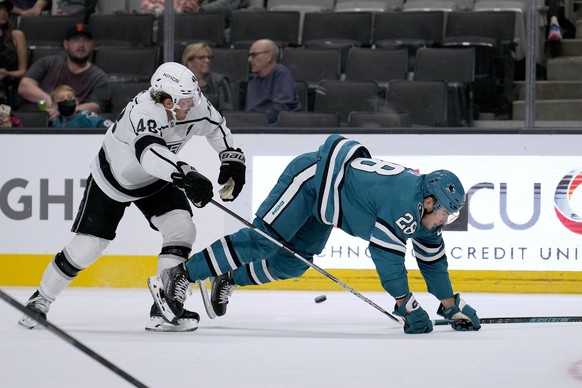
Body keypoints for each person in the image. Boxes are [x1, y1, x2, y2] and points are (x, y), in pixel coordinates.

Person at [148, 134, 482, 334]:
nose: (445, 221)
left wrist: (450, 305)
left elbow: (432, 259)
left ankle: (229, 279)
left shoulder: (424, 212)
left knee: (293, 264)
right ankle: (180, 275)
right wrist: (405, 305)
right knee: (261, 241)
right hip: (312, 179)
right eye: (444, 214)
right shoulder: (404, 206)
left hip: (327, 202)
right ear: (428, 202)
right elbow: (386, 258)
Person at [18, 62, 246, 332]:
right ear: (166, 98)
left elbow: (216, 127)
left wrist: (231, 160)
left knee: (182, 228)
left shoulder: (192, 104)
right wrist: (186, 173)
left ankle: (166, 306)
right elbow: (149, 155)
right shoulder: (143, 111)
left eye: (193, 97)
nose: (192, 104)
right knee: (88, 247)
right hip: (114, 178)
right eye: (185, 100)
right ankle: (40, 299)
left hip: (160, 177)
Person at [17, 23, 110, 120]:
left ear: (92, 45)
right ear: (66, 44)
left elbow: (96, 106)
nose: (81, 45)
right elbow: (24, 86)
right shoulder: (47, 63)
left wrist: (64, 110)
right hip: (33, 120)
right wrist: (48, 100)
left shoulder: (99, 77)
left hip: (70, 126)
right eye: (76, 40)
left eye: (86, 40)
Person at [244, 39, 300, 126]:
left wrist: (257, 121)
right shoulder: (253, 81)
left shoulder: (282, 74)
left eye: (254, 55)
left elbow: (281, 107)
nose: (249, 59)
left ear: (269, 56)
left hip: (275, 126)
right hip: (255, 124)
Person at [182, 42, 233, 112]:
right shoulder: (179, 83)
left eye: (209, 57)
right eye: (202, 58)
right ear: (189, 62)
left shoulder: (220, 82)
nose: (207, 60)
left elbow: (227, 112)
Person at [0, 0, 28, 105]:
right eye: (0, 9)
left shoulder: (16, 35)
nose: (3, 13)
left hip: (7, 83)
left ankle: (4, 118)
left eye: (6, 10)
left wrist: (7, 73)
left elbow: (23, 70)